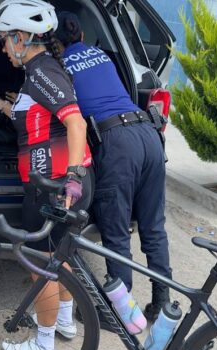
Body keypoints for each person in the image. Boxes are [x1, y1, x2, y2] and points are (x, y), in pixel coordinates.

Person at [0, 0, 94, 350]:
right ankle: (64, 323)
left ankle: (43, 346)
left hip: (54, 186)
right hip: (57, 183)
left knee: (41, 265)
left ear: (22, 37)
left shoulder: (43, 73)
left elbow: (77, 124)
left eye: (4, 39)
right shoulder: (37, 72)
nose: (2, 47)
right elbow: (30, 117)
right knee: (60, 256)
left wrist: (71, 180)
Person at [55, 12, 172, 321]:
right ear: (81, 36)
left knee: (116, 231)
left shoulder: (58, 67)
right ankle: (163, 304)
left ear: (54, 44)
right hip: (148, 134)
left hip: (117, 143)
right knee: (153, 227)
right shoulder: (102, 55)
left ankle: (117, 312)